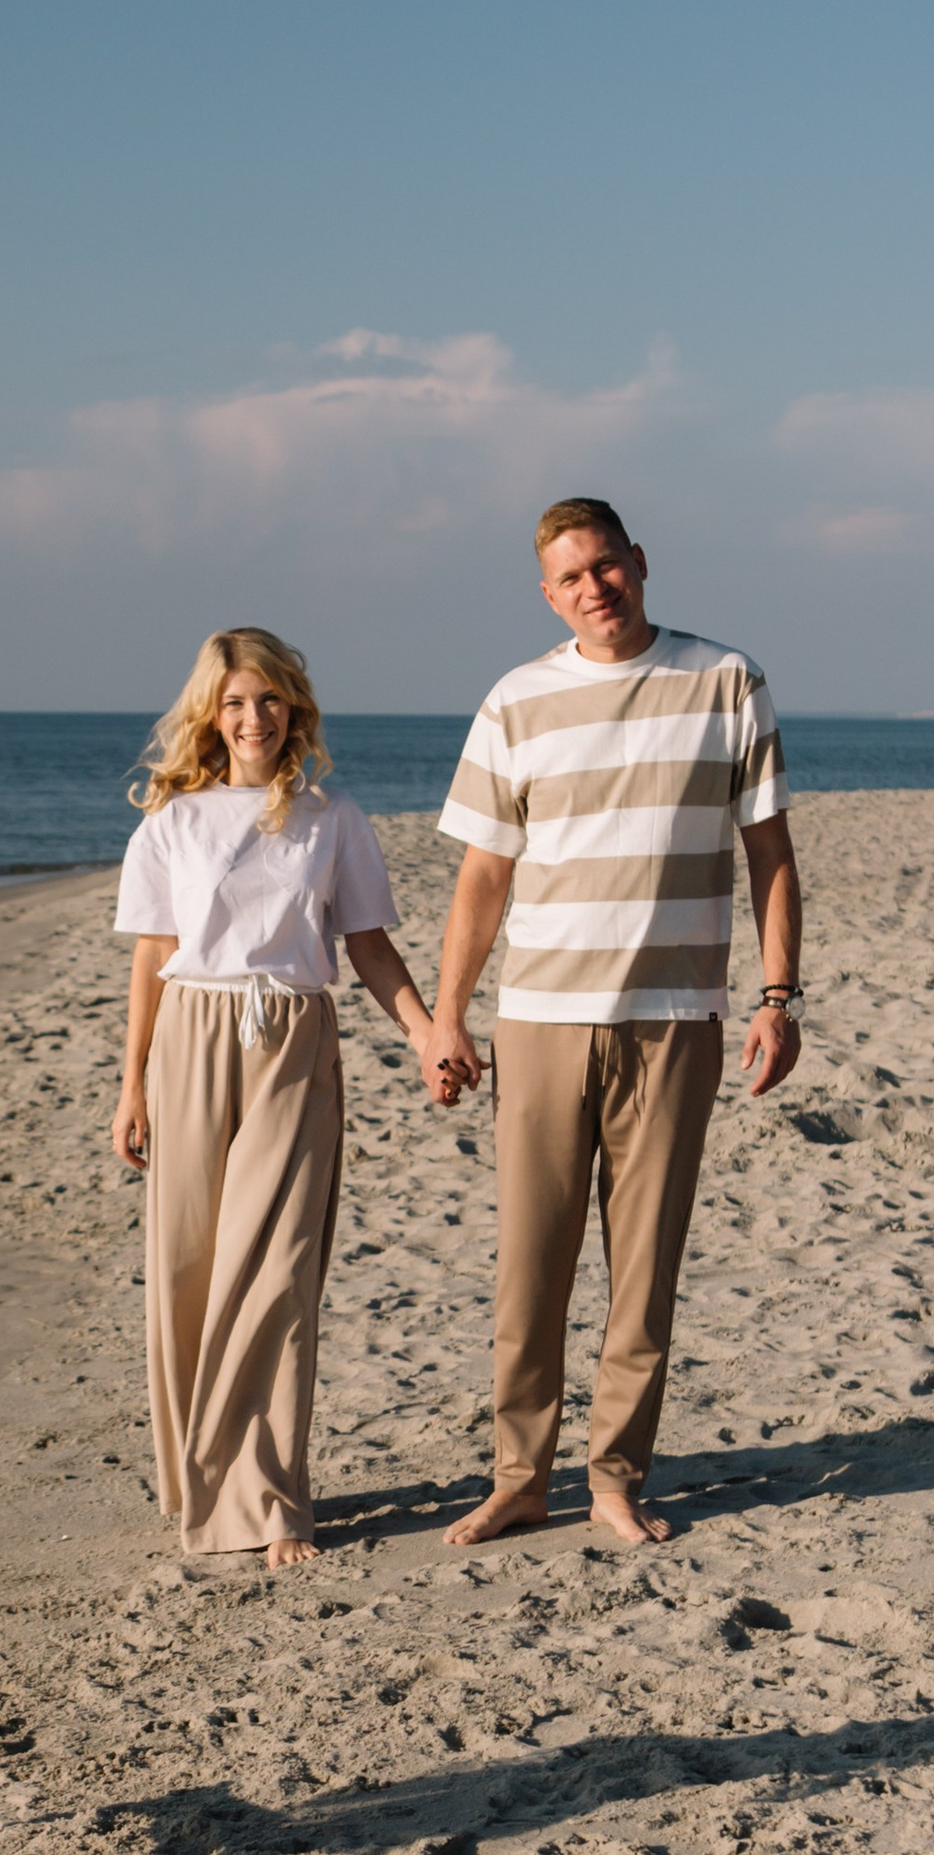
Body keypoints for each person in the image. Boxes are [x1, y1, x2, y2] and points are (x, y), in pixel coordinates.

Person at [424, 499, 802, 1549]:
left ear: (638, 563)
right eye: (571, 579)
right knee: (530, 1262)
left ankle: (614, 1477)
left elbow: (769, 852)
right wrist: (447, 1016)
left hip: (676, 1018)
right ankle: (517, 1477)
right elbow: (481, 879)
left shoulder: (727, 680)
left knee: (644, 1265)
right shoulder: (516, 699)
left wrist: (778, 997)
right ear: (549, 596)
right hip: (541, 1017)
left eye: (606, 566)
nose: (595, 589)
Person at [112, 627, 439, 1570]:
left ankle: (264, 1497)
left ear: (294, 708)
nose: (253, 718)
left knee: (276, 1267)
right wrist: (131, 1083)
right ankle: (197, 1479)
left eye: (269, 700)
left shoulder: (333, 819)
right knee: (187, 1265)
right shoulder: (171, 821)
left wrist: (424, 1034)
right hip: (190, 1036)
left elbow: (370, 944)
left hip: (293, 1037)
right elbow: (151, 960)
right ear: (210, 717)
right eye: (234, 703)